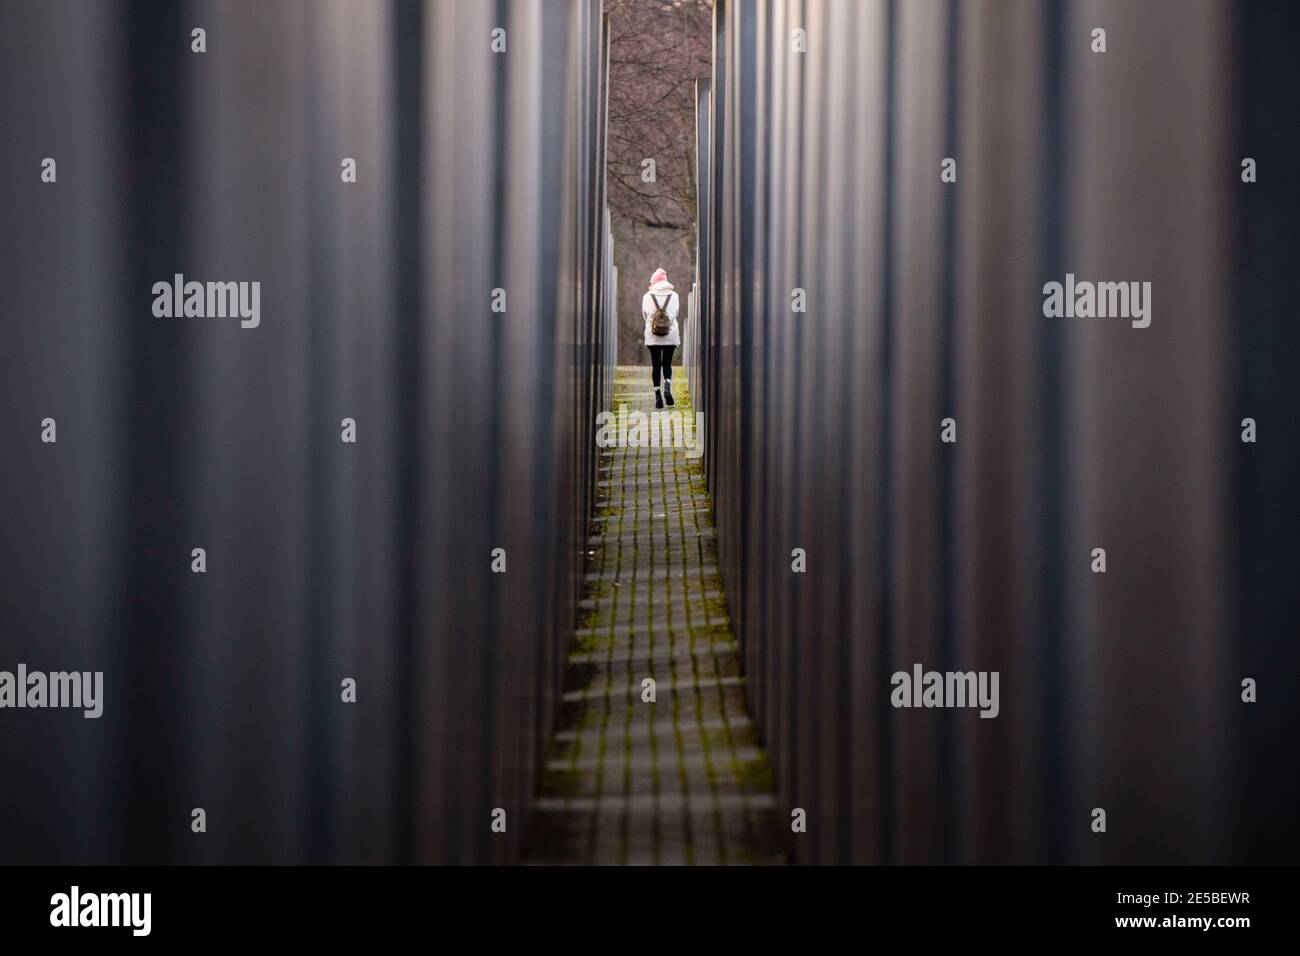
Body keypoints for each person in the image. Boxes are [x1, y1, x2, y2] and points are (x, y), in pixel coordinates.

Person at [642, 268, 681, 409]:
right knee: (667, 364)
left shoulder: (647, 296)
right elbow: (675, 313)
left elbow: (645, 315)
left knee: (656, 365)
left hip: (653, 336)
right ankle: (667, 387)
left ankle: (658, 395)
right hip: (670, 335)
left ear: (653, 282)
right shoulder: (674, 296)